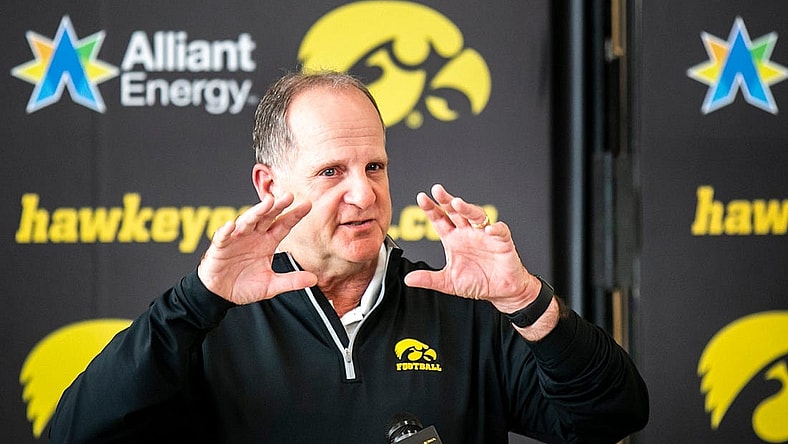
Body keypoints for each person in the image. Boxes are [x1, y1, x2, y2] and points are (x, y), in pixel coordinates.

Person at [49, 71, 648, 443]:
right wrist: (192, 304)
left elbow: (611, 417)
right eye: (331, 171)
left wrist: (526, 303)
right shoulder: (206, 322)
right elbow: (77, 434)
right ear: (268, 186)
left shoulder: (459, 301)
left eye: (375, 167)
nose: (363, 193)